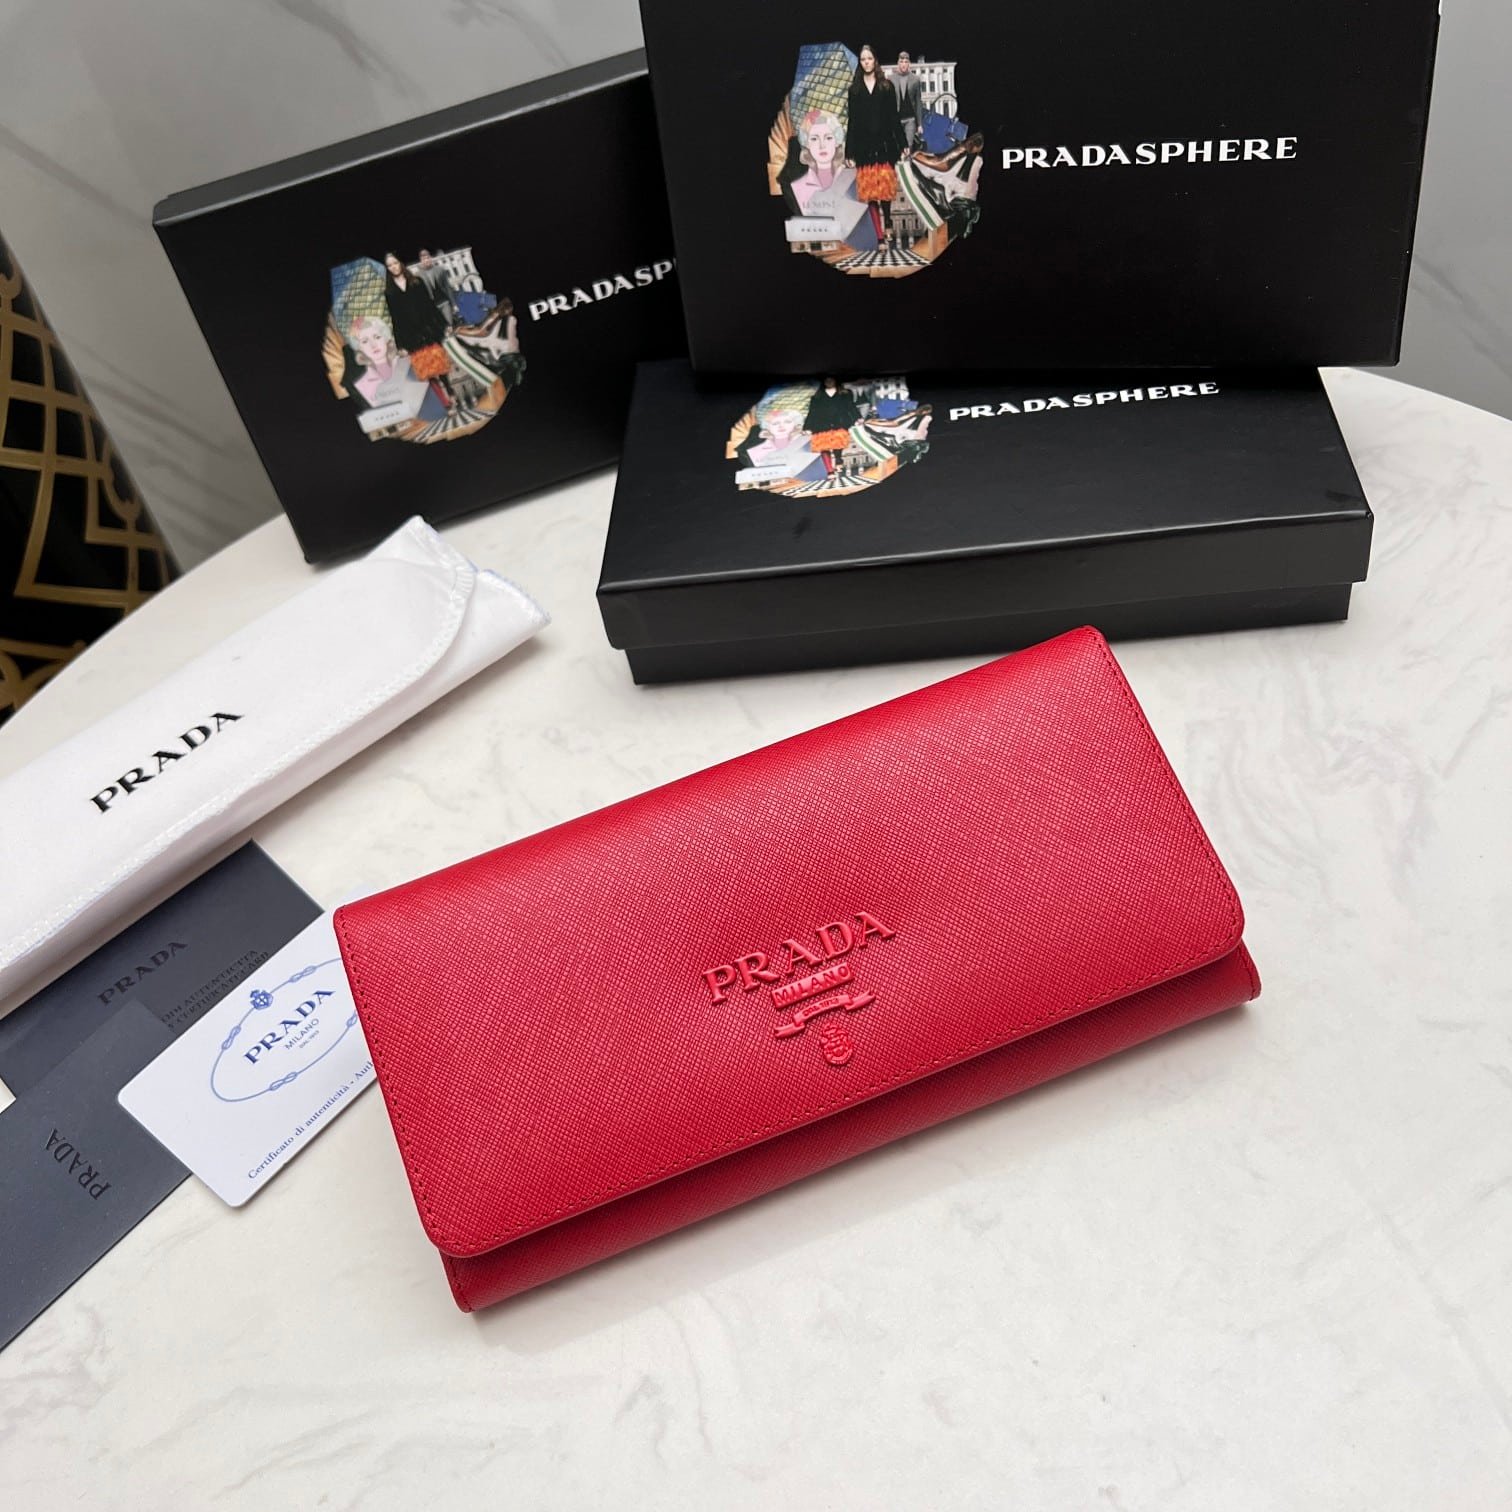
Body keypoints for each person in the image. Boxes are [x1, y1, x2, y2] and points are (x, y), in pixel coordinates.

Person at [846, 45, 907, 247]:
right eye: (863, 59)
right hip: (864, 148)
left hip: (885, 145)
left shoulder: (886, 86)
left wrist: (903, 143)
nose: (866, 62)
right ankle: (880, 237)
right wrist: (849, 152)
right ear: (860, 63)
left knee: (885, 189)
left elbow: (894, 118)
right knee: (870, 193)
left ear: (875, 60)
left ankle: (888, 220)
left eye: (869, 58)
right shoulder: (854, 90)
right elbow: (852, 122)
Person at [788, 108, 874, 249]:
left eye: (828, 137)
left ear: (837, 140)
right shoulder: (798, 186)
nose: (822, 145)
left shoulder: (855, 178)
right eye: (814, 139)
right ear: (806, 143)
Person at [382, 252, 448, 354]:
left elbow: (430, 305)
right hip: (412, 338)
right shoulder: (389, 292)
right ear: (387, 269)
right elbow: (395, 319)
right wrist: (400, 345)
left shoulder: (417, 282)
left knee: (439, 360)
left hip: (430, 332)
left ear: (401, 263)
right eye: (389, 265)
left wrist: (444, 324)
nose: (393, 267)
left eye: (395, 263)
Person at [804, 377, 862, 477]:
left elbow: (851, 406)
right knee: (823, 447)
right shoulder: (816, 397)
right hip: (821, 424)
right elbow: (812, 412)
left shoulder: (845, 394)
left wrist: (858, 418)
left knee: (837, 444)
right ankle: (830, 471)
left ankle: (838, 460)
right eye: (827, 380)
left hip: (839, 423)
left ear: (836, 380)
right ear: (823, 382)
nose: (829, 382)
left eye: (831, 379)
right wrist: (807, 427)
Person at [416, 249, 455, 328]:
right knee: (440, 328)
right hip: (432, 307)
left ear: (431, 258)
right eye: (424, 259)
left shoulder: (440, 270)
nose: (426, 260)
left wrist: (454, 304)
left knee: (449, 326)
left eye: (428, 258)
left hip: (444, 302)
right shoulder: (418, 275)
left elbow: (447, 287)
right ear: (421, 261)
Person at [893, 52, 923, 147]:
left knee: (908, 147)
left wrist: (920, 124)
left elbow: (918, 102)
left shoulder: (915, 79)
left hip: (910, 119)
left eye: (906, 62)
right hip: (896, 120)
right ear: (898, 63)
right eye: (901, 62)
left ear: (909, 63)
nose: (903, 64)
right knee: (897, 147)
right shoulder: (891, 79)